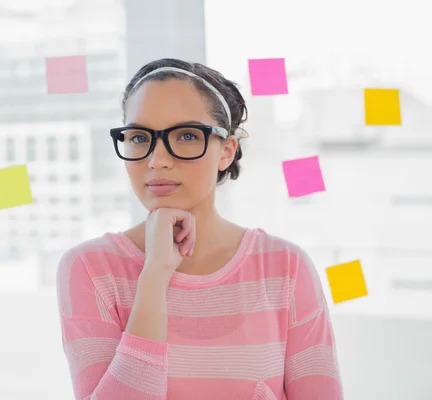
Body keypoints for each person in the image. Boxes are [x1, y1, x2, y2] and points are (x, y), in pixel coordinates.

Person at [56, 58, 344, 399]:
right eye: (138, 137)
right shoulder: (89, 269)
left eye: (187, 135)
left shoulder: (286, 267)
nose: (157, 160)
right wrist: (153, 279)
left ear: (226, 151)